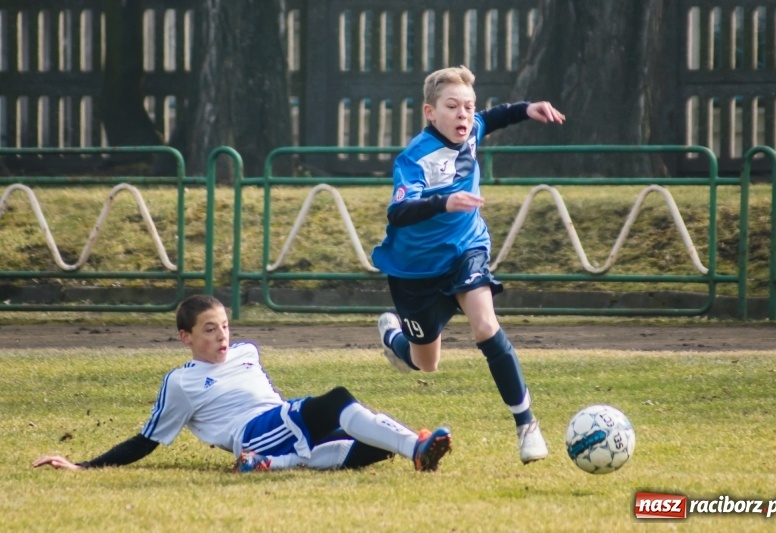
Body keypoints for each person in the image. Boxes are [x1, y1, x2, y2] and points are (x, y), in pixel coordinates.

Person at [371, 65, 565, 464]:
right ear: (430, 112)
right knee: (426, 363)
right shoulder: (415, 158)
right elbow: (399, 212)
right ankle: (394, 340)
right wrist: (445, 201)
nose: (464, 114)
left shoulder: (471, 128)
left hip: (466, 249)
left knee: (485, 326)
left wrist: (529, 108)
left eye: (468, 106)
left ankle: (526, 425)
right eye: (453, 106)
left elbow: (493, 118)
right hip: (415, 270)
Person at [33, 294, 452, 473]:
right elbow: (146, 440)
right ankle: (415, 449)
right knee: (337, 398)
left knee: (376, 451)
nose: (222, 337)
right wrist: (84, 465)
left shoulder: (246, 351)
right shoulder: (181, 382)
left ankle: (269, 465)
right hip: (254, 430)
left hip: (280, 426)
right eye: (210, 330)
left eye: (225, 327)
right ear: (186, 337)